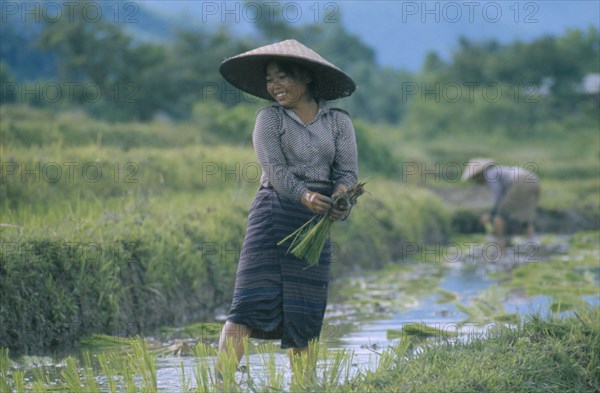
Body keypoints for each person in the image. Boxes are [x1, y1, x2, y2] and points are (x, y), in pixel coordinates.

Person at [215, 39, 359, 380]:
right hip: (273, 213)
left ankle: (304, 385)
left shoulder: (338, 121)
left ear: (306, 77)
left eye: (282, 77)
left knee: (306, 310)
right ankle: (221, 384)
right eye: (269, 79)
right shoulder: (269, 118)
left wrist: (341, 201)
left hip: (316, 223)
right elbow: (275, 170)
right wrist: (304, 195)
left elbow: (347, 173)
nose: (274, 86)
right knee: (247, 304)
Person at [461, 158, 541, 251]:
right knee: (525, 220)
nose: (476, 182)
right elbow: (505, 196)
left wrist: (490, 214)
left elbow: (498, 197)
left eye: (474, 179)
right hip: (534, 181)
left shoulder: (490, 174)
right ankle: (533, 247)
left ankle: (500, 250)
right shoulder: (498, 171)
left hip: (520, 182)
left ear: (478, 175)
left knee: (500, 217)